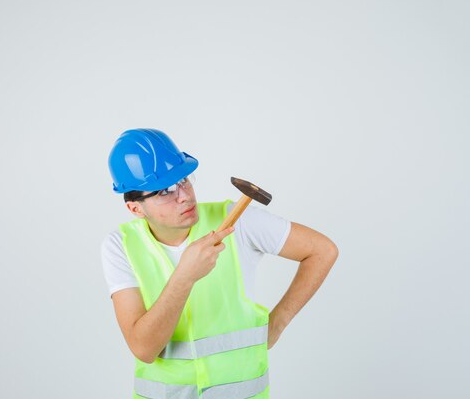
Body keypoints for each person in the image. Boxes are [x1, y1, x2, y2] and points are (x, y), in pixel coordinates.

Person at [101, 129, 338, 399]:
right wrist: (185, 277)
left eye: (184, 180)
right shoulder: (120, 245)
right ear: (135, 208)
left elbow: (322, 251)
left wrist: (277, 324)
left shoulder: (239, 221)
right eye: (165, 190)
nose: (184, 195)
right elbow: (144, 349)